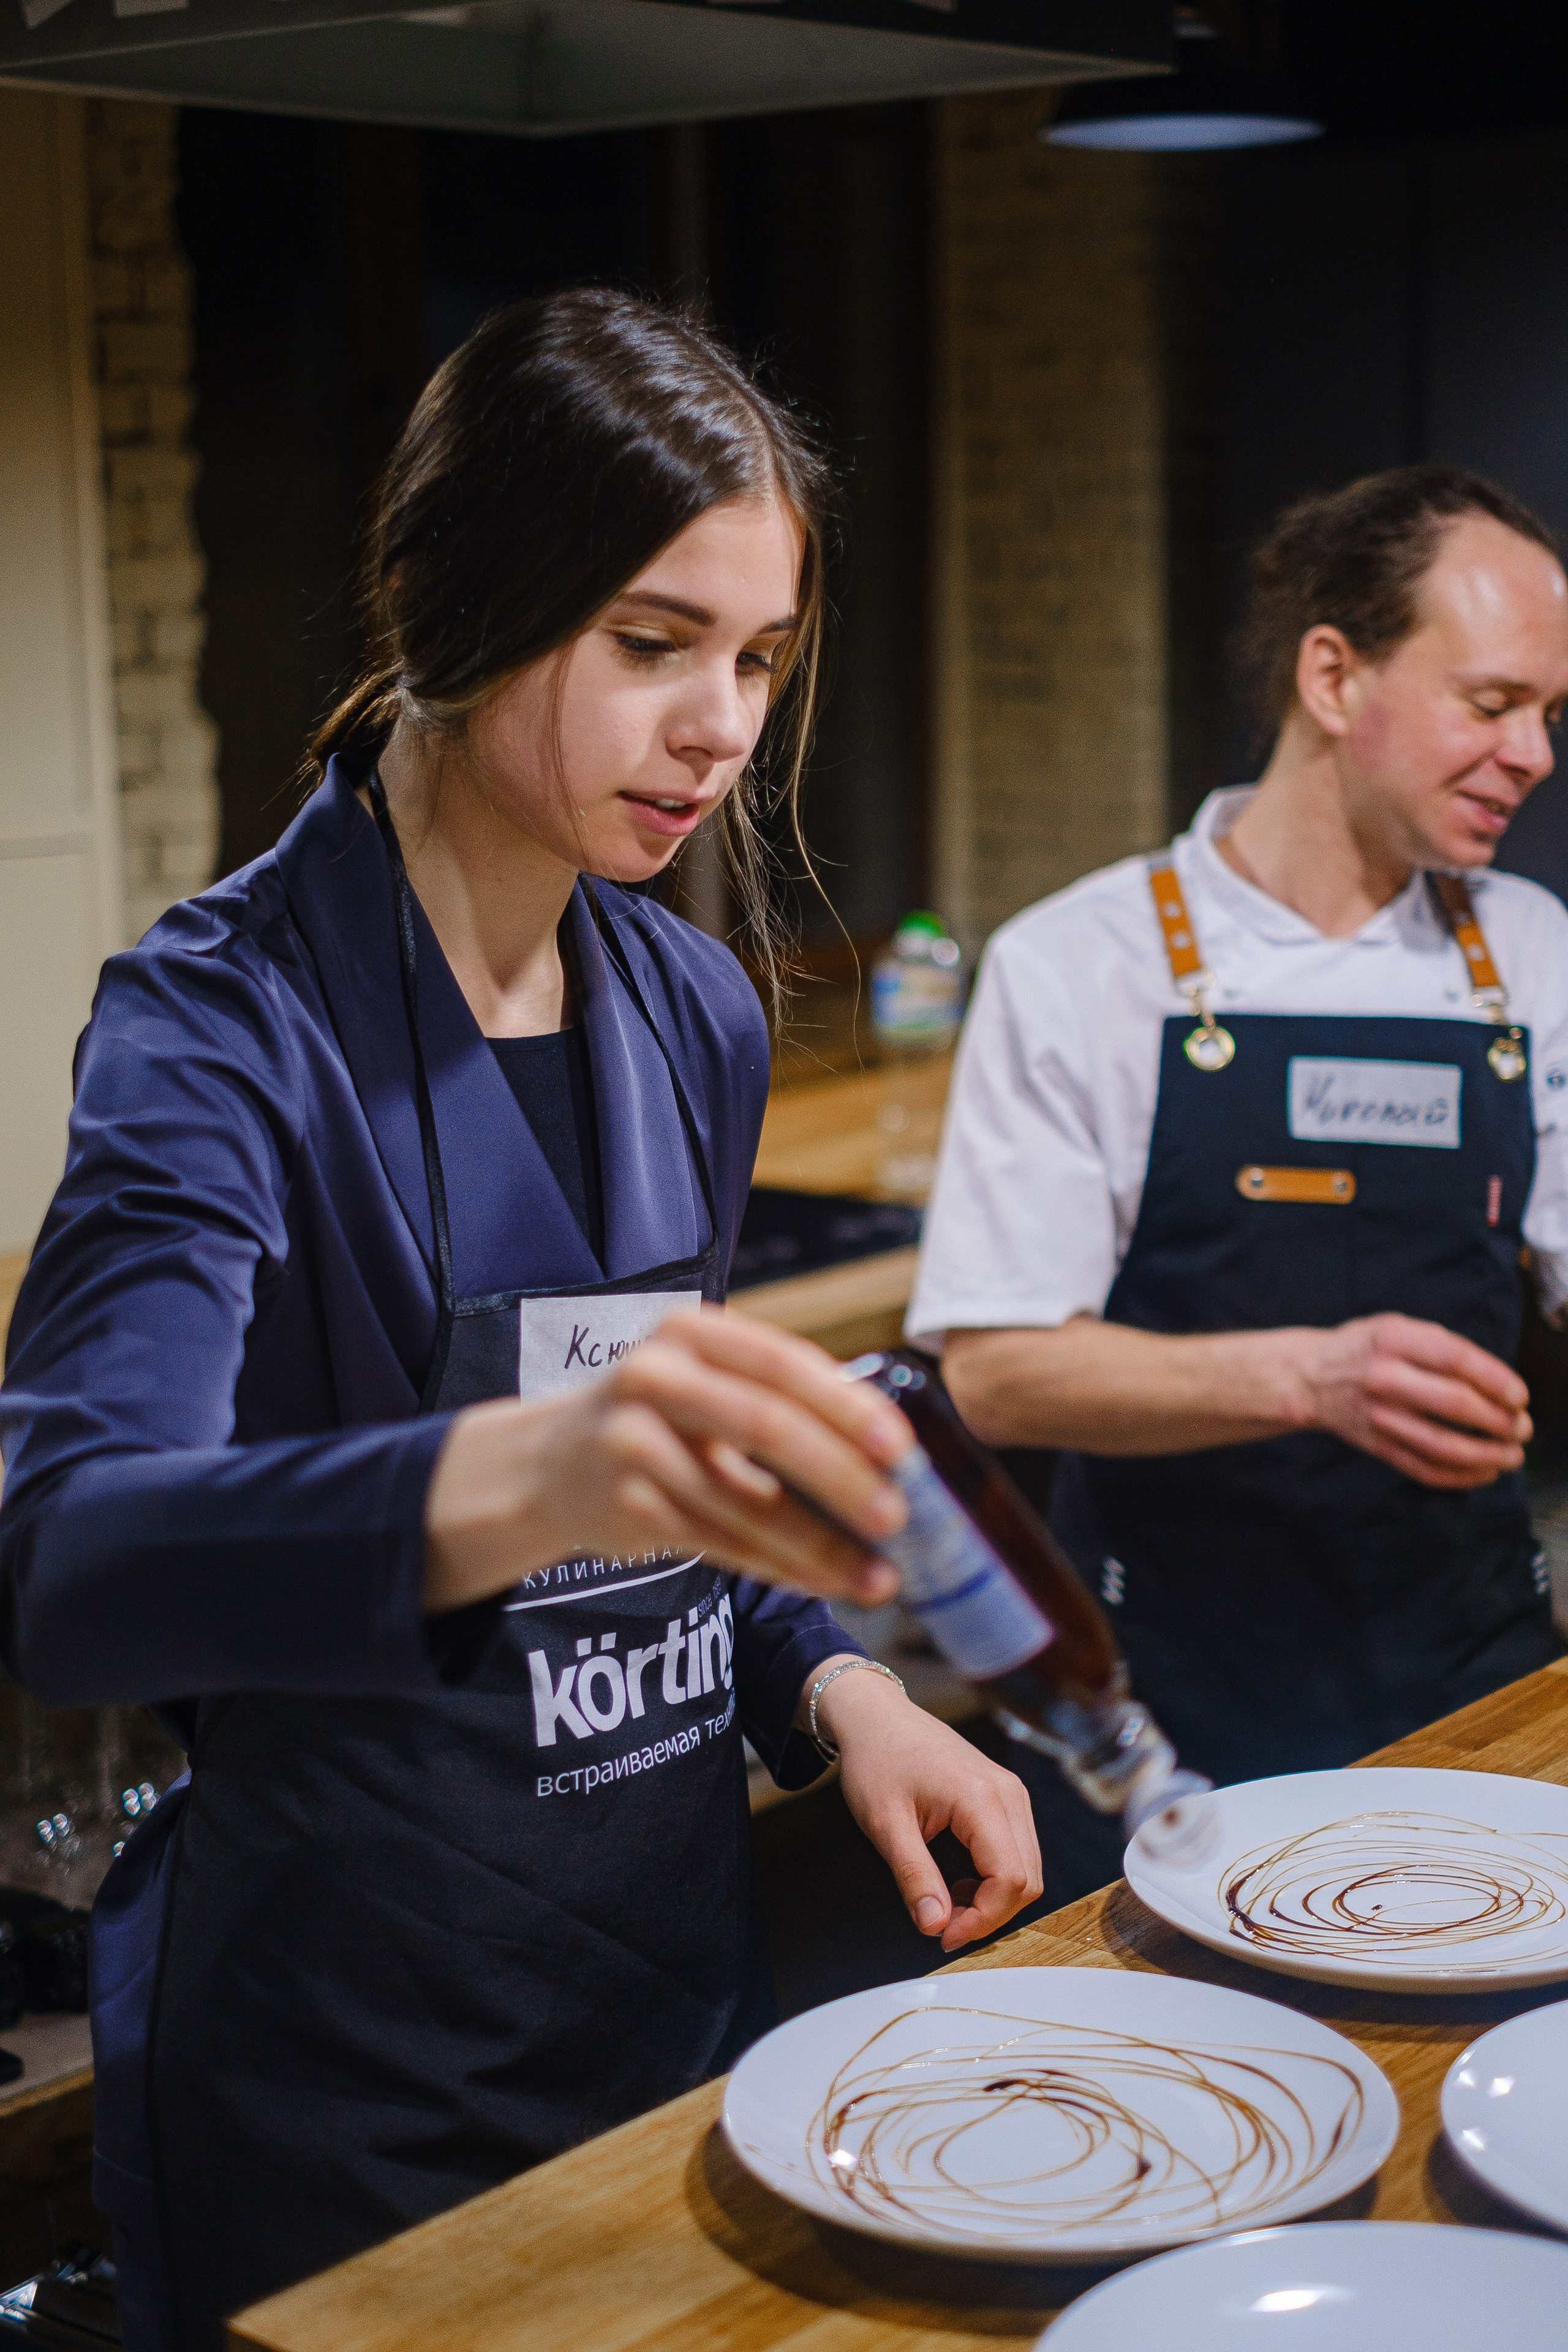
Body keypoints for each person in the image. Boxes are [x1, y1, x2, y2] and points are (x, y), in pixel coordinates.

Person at [0, 291, 1041, 2351]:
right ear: (449, 600)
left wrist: (844, 1689)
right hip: (343, 2101)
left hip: (664, 2017)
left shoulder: (693, 1011)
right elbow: (70, 1562)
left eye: (758, 659)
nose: (723, 726)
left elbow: (686, 1497)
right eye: (654, 644)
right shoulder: (218, 1031)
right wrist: (522, 1472)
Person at [908, 462, 1568, 1910]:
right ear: (1332, 675)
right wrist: (1311, 1377)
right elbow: (997, 1379)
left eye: (1546, 717)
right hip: (1166, 1701)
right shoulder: (1081, 962)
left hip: (1465, 1668)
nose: (1530, 753)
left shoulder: (1526, 955)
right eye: (1489, 703)